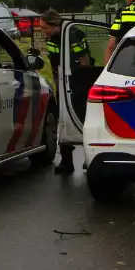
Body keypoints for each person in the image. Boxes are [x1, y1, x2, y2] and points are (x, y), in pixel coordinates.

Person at [39, 9, 91, 174]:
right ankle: (66, 161)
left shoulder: (74, 34)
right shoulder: (52, 38)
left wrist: (81, 86)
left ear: (56, 25)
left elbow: (84, 60)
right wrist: (57, 87)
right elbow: (55, 65)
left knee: (82, 120)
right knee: (63, 121)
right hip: (61, 81)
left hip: (77, 81)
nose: (43, 32)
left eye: (45, 28)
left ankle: (89, 158)